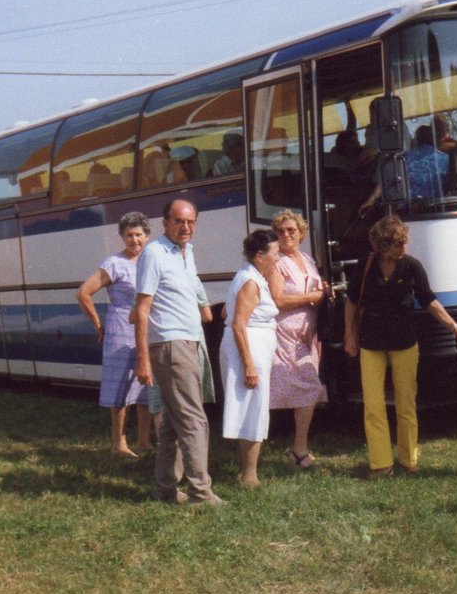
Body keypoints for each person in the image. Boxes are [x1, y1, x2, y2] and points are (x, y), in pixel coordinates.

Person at [344, 214, 457, 478]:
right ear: (382, 246)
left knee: (406, 402)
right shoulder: (366, 265)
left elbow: (429, 301)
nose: (404, 248)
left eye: (404, 242)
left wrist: (454, 327)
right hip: (371, 341)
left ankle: (408, 459)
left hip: (404, 340)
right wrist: (349, 336)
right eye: (397, 244)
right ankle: (381, 464)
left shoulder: (412, 266)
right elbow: (352, 301)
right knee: (374, 405)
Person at [134, 199, 224, 506]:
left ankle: (165, 489)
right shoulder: (154, 253)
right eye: (178, 221)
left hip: (188, 342)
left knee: (173, 421)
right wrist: (143, 360)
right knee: (194, 420)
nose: (185, 227)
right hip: (170, 345)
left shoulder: (187, 252)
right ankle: (201, 492)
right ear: (165, 222)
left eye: (190, 222)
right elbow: (142, 310)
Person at [76, 212, 154, 457]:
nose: (134, 240)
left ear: (147, 236)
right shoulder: (114, 263)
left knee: (146, 385)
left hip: (147, 328)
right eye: (129, 235)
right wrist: (99, 325)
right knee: (120, 387)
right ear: (122, 237)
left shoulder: (151, 261)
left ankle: (143, 441)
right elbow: (83, 292)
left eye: (139, 235)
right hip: (120, 328)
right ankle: (118, 444)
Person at [220, 230, 281, 487]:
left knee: (248, 409)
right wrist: (248, 365)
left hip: (251, 348)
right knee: (252, 410)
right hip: (248, 351)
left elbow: (225, 310)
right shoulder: (250, 281)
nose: (277, 259)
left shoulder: (250, 276)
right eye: (274, 254)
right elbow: (237, 324)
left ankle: (246, 471)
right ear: (259, 255)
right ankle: (249, 475)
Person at [267, 211, 327, 469]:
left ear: (301, 233)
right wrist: (314, 296)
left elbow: (315, 291)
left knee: (305, 388)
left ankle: (297, 449)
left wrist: (322, 292)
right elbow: (277, 300)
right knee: (302, 388)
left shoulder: (307, 259)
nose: (286, 235)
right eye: (281, 231)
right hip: (285, 334)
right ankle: (298, 451)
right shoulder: (276, 263)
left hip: (308, 335)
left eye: (291, 230)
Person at [404, 124, 450, 199]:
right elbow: (448, 185)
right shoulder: (445, 158)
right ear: (433, 139)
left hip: (410, 206)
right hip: (439, 206)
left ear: (417, 139)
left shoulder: (404, 158)